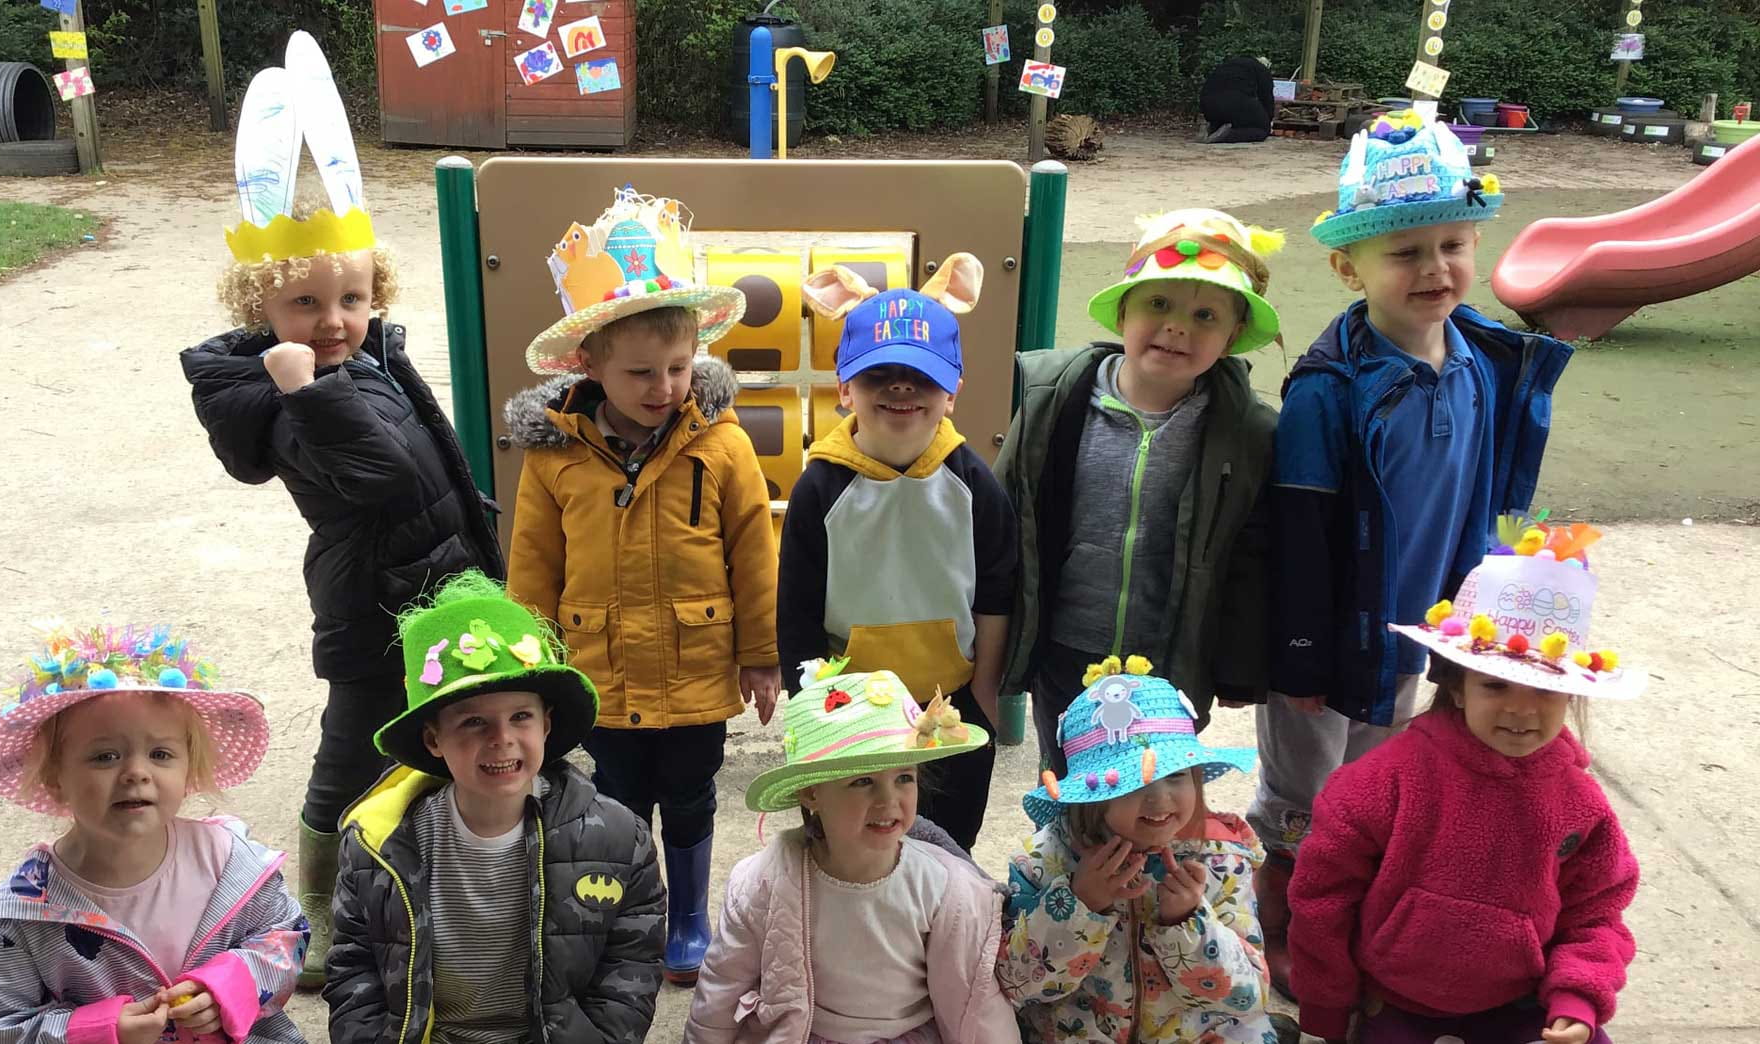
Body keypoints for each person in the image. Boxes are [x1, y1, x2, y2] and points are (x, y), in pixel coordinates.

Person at [179, 33, 503, 985]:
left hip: (442, 572)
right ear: (259, 308)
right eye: (305, 302)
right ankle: (310, 895)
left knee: (448, 712)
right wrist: (307, 390)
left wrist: (481, 534)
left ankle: (420, 863)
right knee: (356, 734)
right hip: (368, 595)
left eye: (351, 298)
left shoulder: (365, 356)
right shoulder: (275, 398)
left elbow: (434, 453)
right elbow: (377, 477)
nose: (331, 320)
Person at [1253, 110, 1574, 995]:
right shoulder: (1329, 392)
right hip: (1324, 644)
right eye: (1405, 253)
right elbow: (1301, 535)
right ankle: (1278, 919)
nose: (1434, 270)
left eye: (1452, 245)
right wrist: (1302, 653)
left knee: (1370, 795)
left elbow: (1488, 494)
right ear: (1348, 266)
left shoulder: (1479, 362)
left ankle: (1343, 915)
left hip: (1419, 633)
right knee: (1300, 800)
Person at [504, 186, 778, 985]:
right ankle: (634, 913)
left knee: (690, 794)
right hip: (599, 668)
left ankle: (690, 916)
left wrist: (760, 656)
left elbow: (755, 553)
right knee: (617, 799)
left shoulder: (721, 445)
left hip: (697, 666)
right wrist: (534, 669)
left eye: (679, 367)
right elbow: (533, 568)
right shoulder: (553, 456)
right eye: (639, 372)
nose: (663, 387)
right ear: (587, 363)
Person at [1288, 524, 1641, 1044]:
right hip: (1395, 998)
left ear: (1571, 696)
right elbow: (1322, 899)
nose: (1521, 709)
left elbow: (1596, 913)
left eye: (1544, 690)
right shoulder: (1381, 783)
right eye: (1495, 685)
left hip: (1521, 1002)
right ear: (1456, 687)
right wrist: (1327, 1005)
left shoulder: (1579, 803)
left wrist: (1577, 998)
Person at [996, 208, 1281, 775]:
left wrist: (1238, 666)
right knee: (1072, 784)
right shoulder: (1055, 399)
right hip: (1068, 647)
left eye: (1205, 315)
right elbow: (1006, 517)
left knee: (1159, 791)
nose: (1178, 326)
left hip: (1174, 654)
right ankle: (1063, 866)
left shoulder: (1247, 432)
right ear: (1123, 313)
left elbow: (1253, 555)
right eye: (1158, 305)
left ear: (1230, 338)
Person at [326, 571, 666, 1043]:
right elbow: (352, 967)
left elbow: (631, 966)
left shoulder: (616, 839)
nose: (502, 738)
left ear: (547, 725)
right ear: (433, 740)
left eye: (520, 716)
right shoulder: (377, 844)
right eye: (473, 722)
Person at [0, 623, 306, 1044]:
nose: (137, 773)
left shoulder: (231, 864)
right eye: (105, 756)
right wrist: (96, 1032)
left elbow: (286, 938)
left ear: (188, 768)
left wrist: (230, 986)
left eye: (161, 754)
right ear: (54, 779)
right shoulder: (27, 911)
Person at [778, 253, 1017, 851]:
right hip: (850, 707)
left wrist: (985, 694)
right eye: (879, 375)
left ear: (954, 391)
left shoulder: (973, 483)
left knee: (948, 846)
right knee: (853, 843)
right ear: (845, 389)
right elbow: (797, 609)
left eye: (922, 375)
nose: (901, 388)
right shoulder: (820, 487)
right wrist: (808, 707)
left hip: (950, 706)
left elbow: (996, 590)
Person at [685, 660, 1019, 1044]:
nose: (888, 799)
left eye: (904, 778)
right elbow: (722, 987)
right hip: (803, 1032)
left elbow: (975, 999)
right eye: (863, 781)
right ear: (812, 794)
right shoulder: (764, 882)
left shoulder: (946, 889)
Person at [999, 656, 1274, 1044]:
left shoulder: (1222, 858)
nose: (1160, 800)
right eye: (1133, 784)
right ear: (1091, 797)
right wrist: (1079, 904)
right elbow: (1016, 986)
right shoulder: (1046, 861)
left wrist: (1190, 922)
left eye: (1176, 775)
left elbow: (1249, 996)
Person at [1200, 56, 1275, 144]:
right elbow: (1266, 98)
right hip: (1234, 100)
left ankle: (1212, 128)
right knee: (1262, 130)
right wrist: (1268, 120)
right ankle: (1226, 135)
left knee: (1232, 116)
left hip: (1207, 103)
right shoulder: (1262, 69)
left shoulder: (1228, 64)